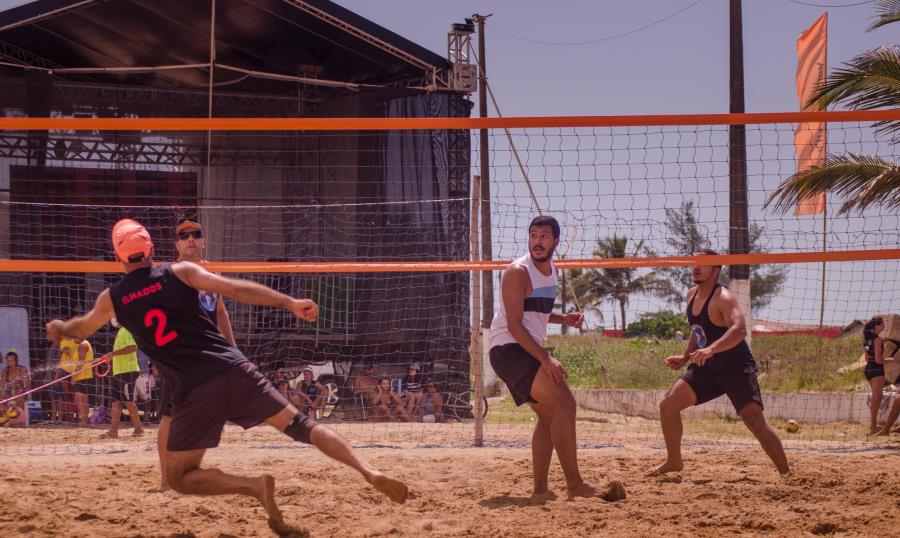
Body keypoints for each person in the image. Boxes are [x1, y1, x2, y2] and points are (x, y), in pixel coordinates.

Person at [45, 219, 407, 531]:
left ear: (118, 257)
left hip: (193, 389)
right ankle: (368, 470)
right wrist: (289, 303)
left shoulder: (112, 298)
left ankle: (252, 486)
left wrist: (61, 328)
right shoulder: (181, 271)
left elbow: (82, 328)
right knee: (303, 427)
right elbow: (234, 289)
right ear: (152, 247)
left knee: (180, 477)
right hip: (235, 369)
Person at [488, 215, 609, 499]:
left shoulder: (552, 269)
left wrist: (562, 318)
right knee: (565, 404)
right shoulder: (517, 272)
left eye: (543, 236)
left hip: (519, 347)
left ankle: (540, 490)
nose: (537, 241)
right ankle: (575, 484)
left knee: (549, 416)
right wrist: (545, 359)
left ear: (555, 241)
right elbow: (515, 324)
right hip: (509, 347)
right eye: (533, 235)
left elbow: (534, 313)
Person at [649, 249, 790, 476]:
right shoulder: (691, 294)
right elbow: (698, 331)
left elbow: (739, 329)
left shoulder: (723, 297)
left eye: (702, 264)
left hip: (735, 367)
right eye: (694, 263)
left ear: (716, 270)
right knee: (668, 406)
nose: (696, 267)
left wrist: (711, 349)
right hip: (706, 367)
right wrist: (685, 356)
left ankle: (786, 473)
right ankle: (674, 461)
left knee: (754, 422)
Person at [157, 219, 238, 491]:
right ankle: (166, 479)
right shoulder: (167, 274)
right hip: (178, 357)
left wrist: (233, 350)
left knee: (204, 415)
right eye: (184, 235)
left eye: (196, 235)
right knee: (170, 417)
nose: (191, 239)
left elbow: (220, 313)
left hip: (207, 356)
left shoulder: (209, 276)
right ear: (177, 244)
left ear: (204, 241)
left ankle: (188, 472)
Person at [101, 319, 145, 438]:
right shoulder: (121, 331)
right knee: (115, 402)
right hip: (118, 371)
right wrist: (110, 356)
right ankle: (113, 430)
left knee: (128, 400)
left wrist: (113, 354)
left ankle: (138, 429)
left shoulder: (126, 330)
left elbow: (133, 347)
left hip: (127, 371)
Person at [58, 337, 94, 425]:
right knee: (83, 399)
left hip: (83, 375)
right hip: (83, 375)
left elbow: (80, 364)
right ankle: (85, 421)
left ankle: (84, 421)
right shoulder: (79, 345)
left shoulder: (83, 345)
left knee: (80, 399)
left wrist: (73, 377)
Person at [863, 317, 886, 434]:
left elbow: (867, 357)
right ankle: (873, 427)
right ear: (877, 326)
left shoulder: (868, 339)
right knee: (877, 399)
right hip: (877, 369)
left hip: (868, 369)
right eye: (883, 323)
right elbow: (879, 360)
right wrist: (891, 360)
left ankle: (873, 426)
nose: (884, 325)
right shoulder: (877, 340)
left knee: (876, 398)